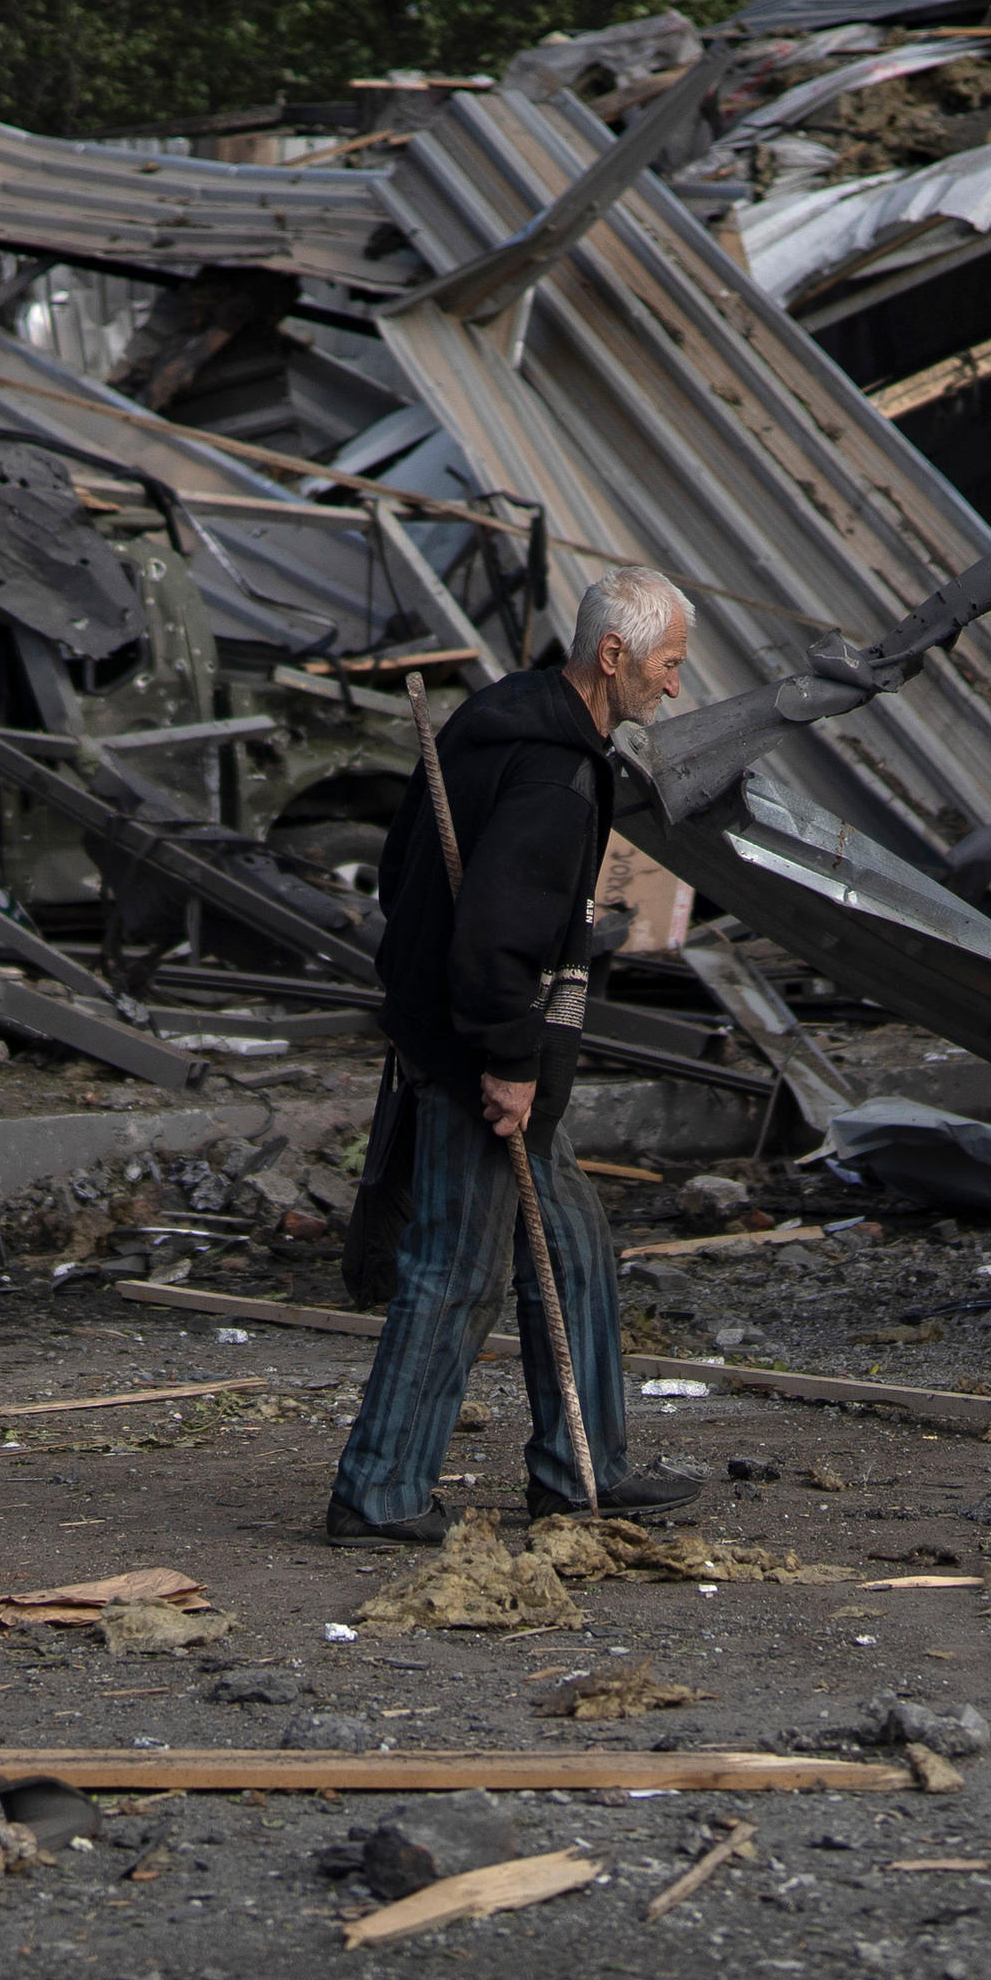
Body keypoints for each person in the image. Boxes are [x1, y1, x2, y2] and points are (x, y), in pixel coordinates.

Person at [327, 565, 709, 1545]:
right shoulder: (556, 776)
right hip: (477, 1050)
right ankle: (378, 1492)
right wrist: (503, 1058)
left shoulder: (496, 718)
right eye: (667, 665)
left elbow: (400, 863)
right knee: (456, 1269)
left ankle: (583, 1470)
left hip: (462, 1032)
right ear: (613, 656)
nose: (674, 687)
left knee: (571, 1250)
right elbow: (493, 939)